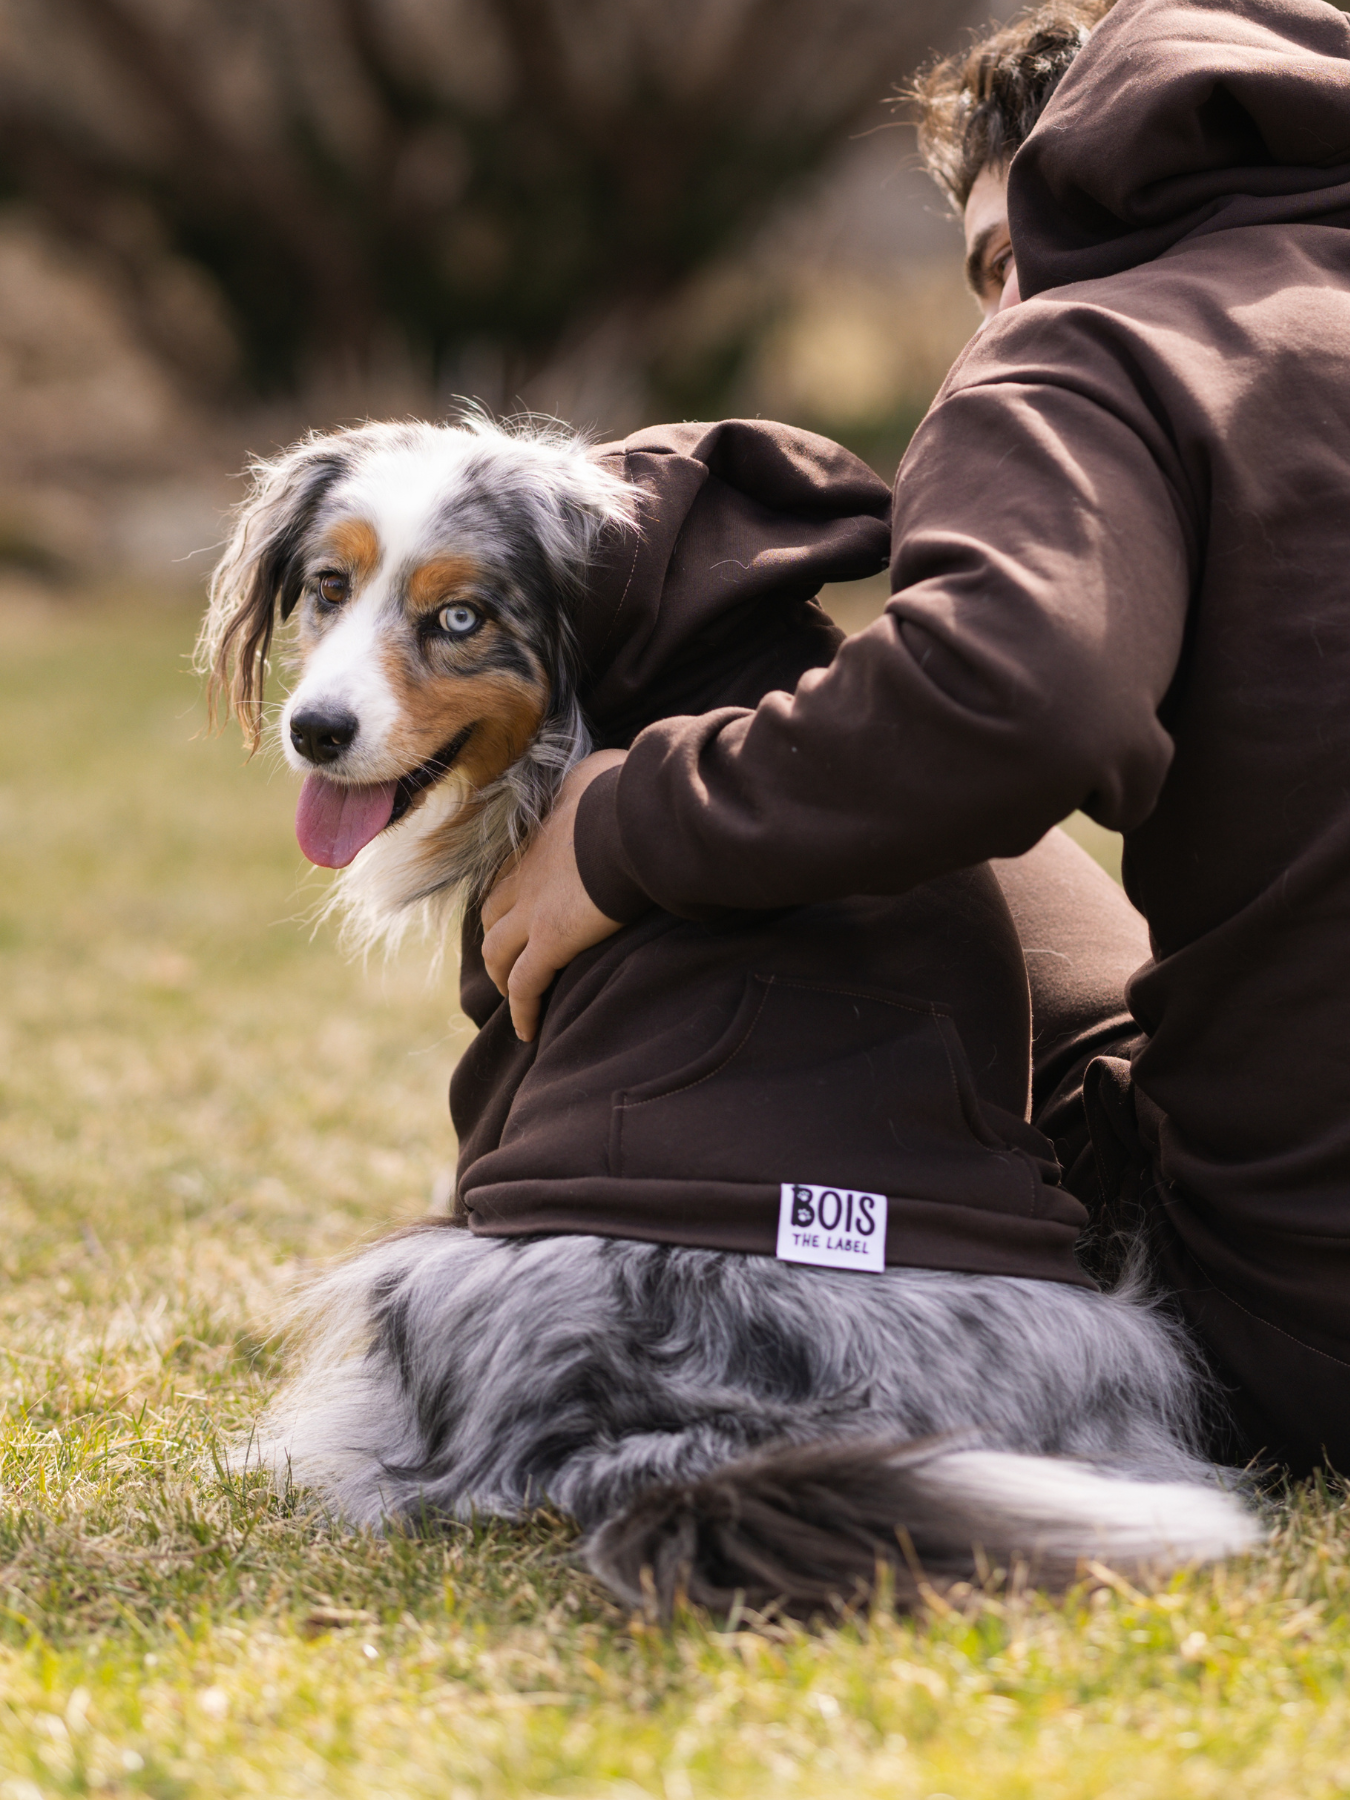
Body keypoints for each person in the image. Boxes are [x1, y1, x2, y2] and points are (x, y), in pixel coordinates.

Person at [483, 0, 1350, 1474]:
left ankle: (631, 1281)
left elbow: (1014, 698)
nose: (998, 308)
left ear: (1100, 176)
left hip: (1306, 1330)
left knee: (788, 716)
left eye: (1005, 255)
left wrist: (627, 827)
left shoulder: (1090, 347)